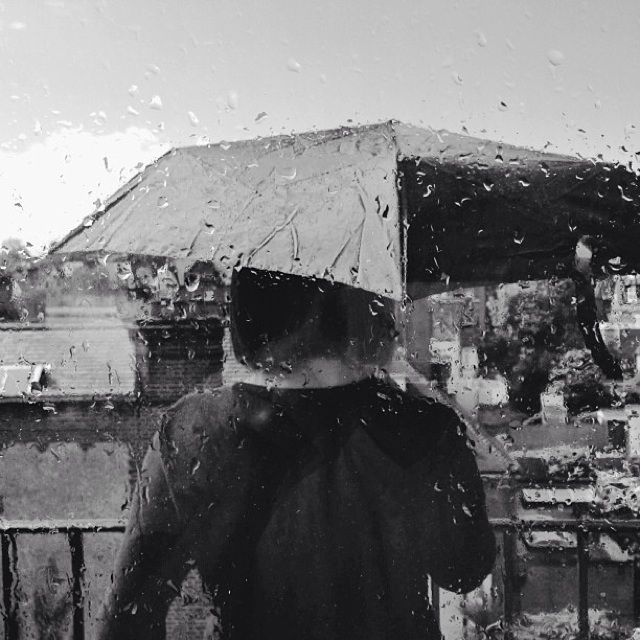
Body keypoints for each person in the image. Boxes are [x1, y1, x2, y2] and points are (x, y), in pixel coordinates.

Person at [96, 267, 495, 640]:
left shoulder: (192, 430)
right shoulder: (420, 425)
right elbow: (465, 568)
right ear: (348, 300)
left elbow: (127, 615)